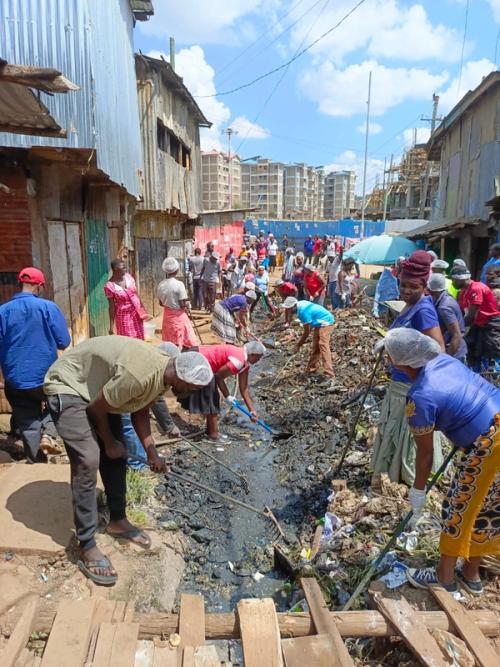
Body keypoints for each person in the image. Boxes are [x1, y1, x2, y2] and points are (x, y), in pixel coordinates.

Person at [44, 336, 213, 585]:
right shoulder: (139, 374)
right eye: (193, 389)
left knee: (117, 455)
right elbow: (96, 409)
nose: (190, 396)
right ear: (183, 379)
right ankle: (87, 543)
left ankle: (117, 520)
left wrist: (151, 453)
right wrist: (109, 442)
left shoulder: (163, 373)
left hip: (98, 391)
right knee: (89, 458)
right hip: (69, 387)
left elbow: (140, 410)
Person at [379, 328, 500, 595]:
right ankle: (471, 574)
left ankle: (443, 578)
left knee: (458, 506)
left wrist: (418, 491)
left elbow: (425, 453)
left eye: (389, 356)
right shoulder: (443, 359)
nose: (388, 360)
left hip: (488, 444)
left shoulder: (419, 397)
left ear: (401, 362)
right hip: (496, 421)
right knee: (485, 509)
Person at [371, 250, 445, 485]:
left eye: (412, 286)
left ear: (424, 285)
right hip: (399, 383)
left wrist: (407, 362)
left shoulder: (423, 309)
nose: (405, 291)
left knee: (408, 438)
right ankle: (396, 478)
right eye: (402, 285)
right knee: (395, 433)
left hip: (410, 387)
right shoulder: (408, 306)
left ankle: (411, 483)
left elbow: (437, 350)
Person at [0, 267, 70, 462]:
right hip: (45, 376)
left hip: (15, 379)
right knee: (60, 403)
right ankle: (49, 433)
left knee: (27, 421)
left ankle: (36, 462)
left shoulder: (2, 311)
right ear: (39, 287)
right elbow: (64, 341)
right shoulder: (48, 307)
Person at [177, 341, 265, 440]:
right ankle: (214, 435)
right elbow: (218, 376)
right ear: (253, 354)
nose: (259, 360)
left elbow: (244, 388)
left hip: (203, 361)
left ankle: (209, 430)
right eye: (259, 357)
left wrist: (252, 411)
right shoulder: (239, 360)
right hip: (196, 359)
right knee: (212, 399)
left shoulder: (245, 363)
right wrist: (227, 396)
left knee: (212, 397)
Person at [452, 265, 500, 372]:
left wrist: (457, 330)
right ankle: (477, 375)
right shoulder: (463, 292)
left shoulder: (476, 288)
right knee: (473, 351)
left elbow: (471, 315)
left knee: (493, 353)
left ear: (461, 278)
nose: (452, 283)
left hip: (491, 323)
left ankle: (495, 379)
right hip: (478, 324)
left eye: (454, 280)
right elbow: (462, 313)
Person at [283, 297, 335, 378]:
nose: (289, 311)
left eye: (290, 309)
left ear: (294, 306)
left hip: (326, 321)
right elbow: (308, 326)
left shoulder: (303, 312)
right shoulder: (299, 304)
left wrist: (298, 345)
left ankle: (329, 373)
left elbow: (307, 332)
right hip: (318, 323)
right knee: (316, 347)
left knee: (323, 345)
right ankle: (311, 369)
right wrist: (287, 321)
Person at [157, 258, 198, 350]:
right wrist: (187, 304)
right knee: (187, 339)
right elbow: (182, 304)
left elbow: (160, 303)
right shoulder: (179, 284)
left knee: (170, 341)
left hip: (167, 316)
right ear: (177, 270)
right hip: (178, 317)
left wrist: (169, 304)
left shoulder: (161, 285)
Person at [427, 273, 467, 361]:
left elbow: (456, 335)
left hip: (454, 353)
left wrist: (446, 359)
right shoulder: (446, 298)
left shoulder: (444, 307)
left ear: (430, 290)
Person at [105, 259, 148, 339]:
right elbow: (112, 307)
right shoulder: (109, 286)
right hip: (124, 317)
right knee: (127, 340)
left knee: (140, 337)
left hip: (136, 314)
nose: (126, 269)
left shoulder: (128, 277)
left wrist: (142, 310)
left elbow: (136, 294)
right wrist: (111, 325)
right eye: (123, 267)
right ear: (116, 269)